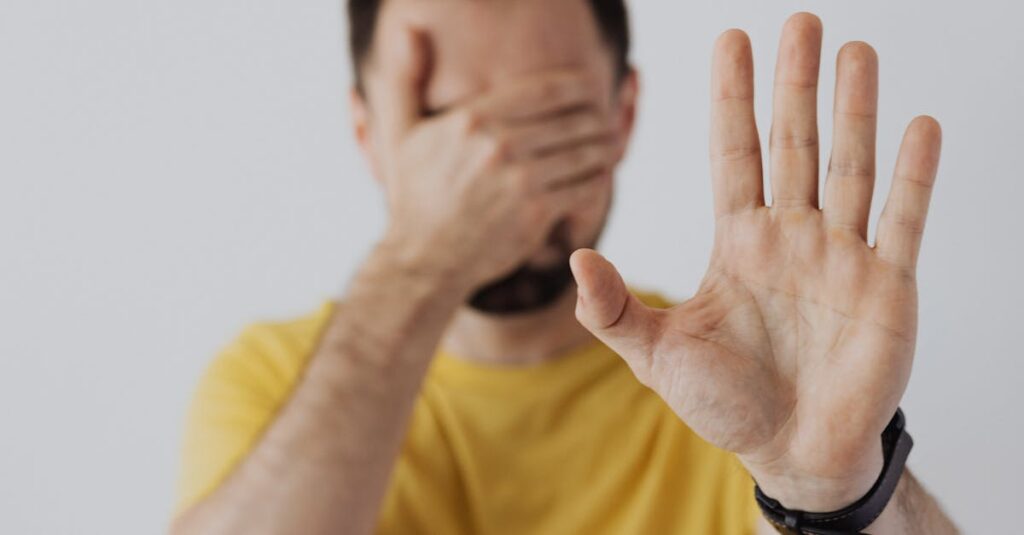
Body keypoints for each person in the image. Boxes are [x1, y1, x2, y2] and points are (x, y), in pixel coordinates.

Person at [171, 1, 960, 533]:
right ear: (366, 132)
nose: (499, 171)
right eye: (445, 125)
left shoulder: (732, 385)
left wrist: (832, 492)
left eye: (551, 122)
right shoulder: (271, 381)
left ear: (621, 117)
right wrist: (418, 264)